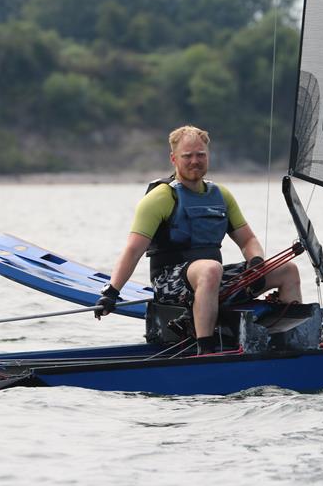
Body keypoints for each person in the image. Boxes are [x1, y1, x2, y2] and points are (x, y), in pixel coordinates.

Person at [96, 125, 301, 355]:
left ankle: (293, 342)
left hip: (210, 277)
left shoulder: (221, 195)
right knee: (211, 269)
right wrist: (112, 292)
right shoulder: (160, 198)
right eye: (188, 156)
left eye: (200, 155)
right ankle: (205, 349)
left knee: (287, 269)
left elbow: (248, 240)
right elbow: (133, 250)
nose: (195, 160)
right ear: (174, 158)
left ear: (208, 156)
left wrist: (256, 262)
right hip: (169, 281)